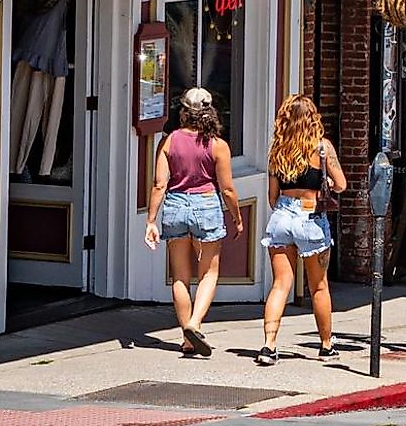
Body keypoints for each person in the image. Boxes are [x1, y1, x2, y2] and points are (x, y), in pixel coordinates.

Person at [144, 87, 238, 358]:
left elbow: (160, 184)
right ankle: (195, 324)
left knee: (180, 277)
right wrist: (237, 217)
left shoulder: (169, 141)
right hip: (207, 204)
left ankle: (186, 336)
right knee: (209, 272)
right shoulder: (218, 145)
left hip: (175, 205)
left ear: (183, 111)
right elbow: (228, 189)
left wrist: (151, 220)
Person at [258, 95, 346, 365]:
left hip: (282, 215)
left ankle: (269, 345)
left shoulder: (278, 149)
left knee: (281, 283)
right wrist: (328, 179)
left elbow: (272, 197)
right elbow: (341, 185)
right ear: (313, 118)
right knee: (318, 286)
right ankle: (326, 344)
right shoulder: (322, 148)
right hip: (310, 216)